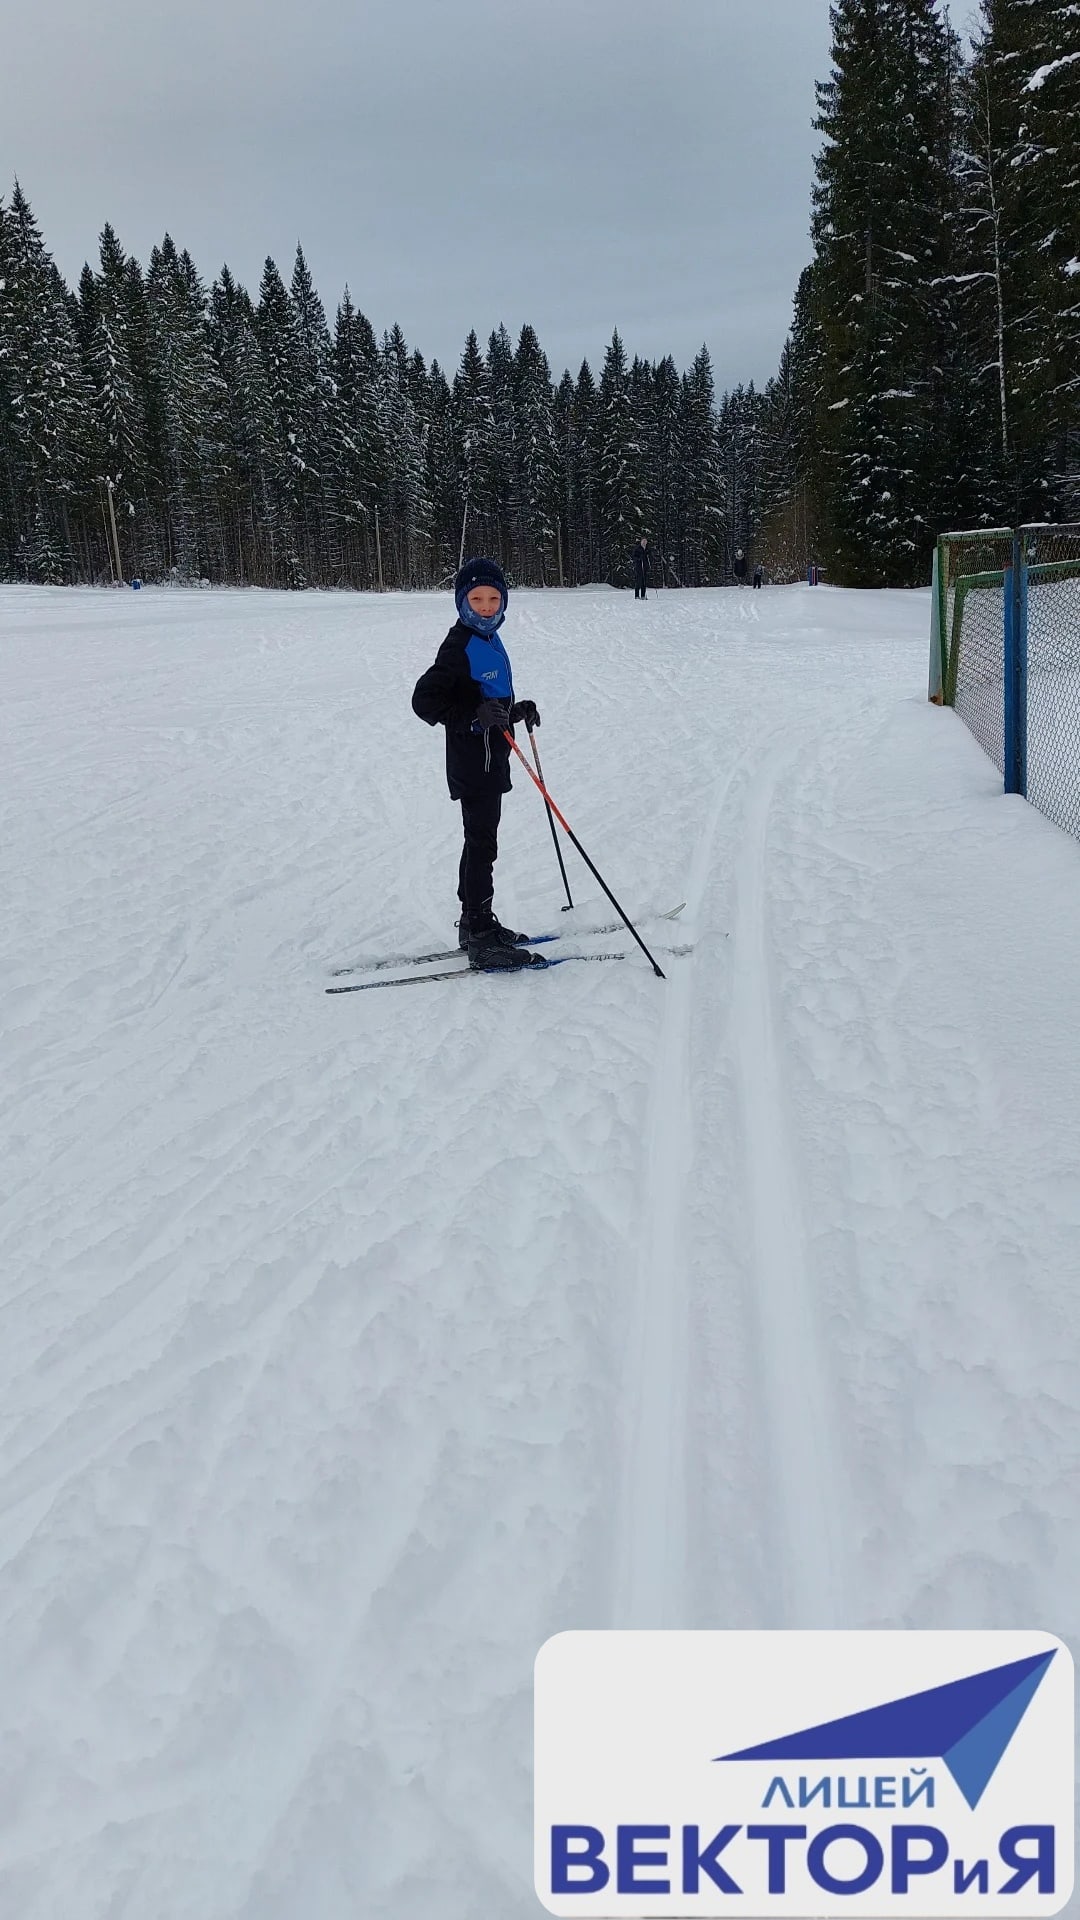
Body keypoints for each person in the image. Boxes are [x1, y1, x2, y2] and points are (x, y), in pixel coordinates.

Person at [412, 557, 546, 972]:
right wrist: (473, 718)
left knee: (479, 842)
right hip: (474, 764)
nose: (486, 607)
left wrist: (515, 710)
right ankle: (481, 936)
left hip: (492, 759)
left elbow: (488, 697)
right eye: (477, 599)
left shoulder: (488, 638)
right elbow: (425, 701)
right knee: (483, 845)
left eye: (493, 599)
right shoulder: (460, 644)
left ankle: (474, 923)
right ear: (462, 602)